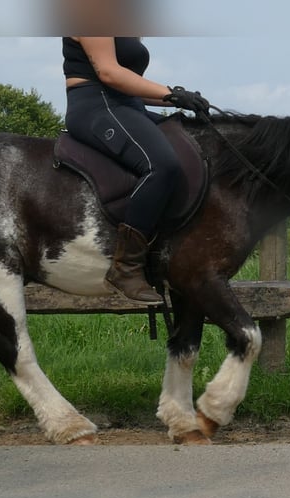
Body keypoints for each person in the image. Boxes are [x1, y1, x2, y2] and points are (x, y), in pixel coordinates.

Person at [63, 36, 210, 304]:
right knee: (161, 165)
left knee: (195, 139)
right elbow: (108, 73)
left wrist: (180, 99)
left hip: (130, 107)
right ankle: (125, 269)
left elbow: (132, 85)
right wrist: (170, 92)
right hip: (96, 104)